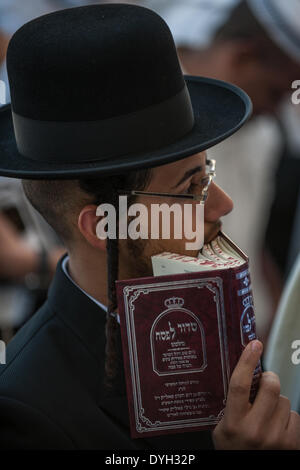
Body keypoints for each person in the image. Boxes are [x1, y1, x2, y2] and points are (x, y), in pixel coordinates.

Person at [0, 3, 299, 450]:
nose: (223, 204)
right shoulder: (28, 412)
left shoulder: (206, 317)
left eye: (209, 174)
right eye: (192, 187)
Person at [141, 0, 300, 341]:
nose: (277, 111)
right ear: (243, 56)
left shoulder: (264, 135)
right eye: (275, 92)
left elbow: (249, 240)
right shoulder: (149, 115)